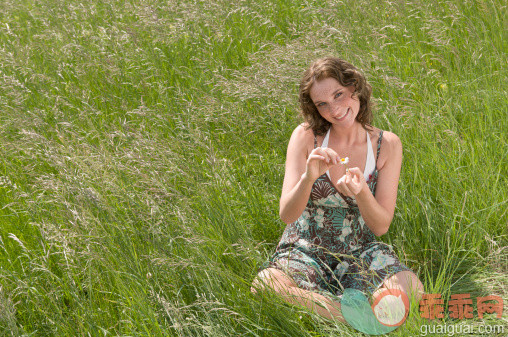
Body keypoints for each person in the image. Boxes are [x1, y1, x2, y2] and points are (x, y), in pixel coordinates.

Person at [250, 57, 424, 322]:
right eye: (322, 104)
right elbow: (287, 215)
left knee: (412, 287)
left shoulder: (386, 144)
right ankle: (353, 316)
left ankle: (323, 307)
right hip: (305, 248)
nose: (334, 109)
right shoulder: (306, 136)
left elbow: (380, 227)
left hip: (360, 250)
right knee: (264, 285)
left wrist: (362, 192)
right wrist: (309, 178)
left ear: (354, 87)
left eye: (339, 95)